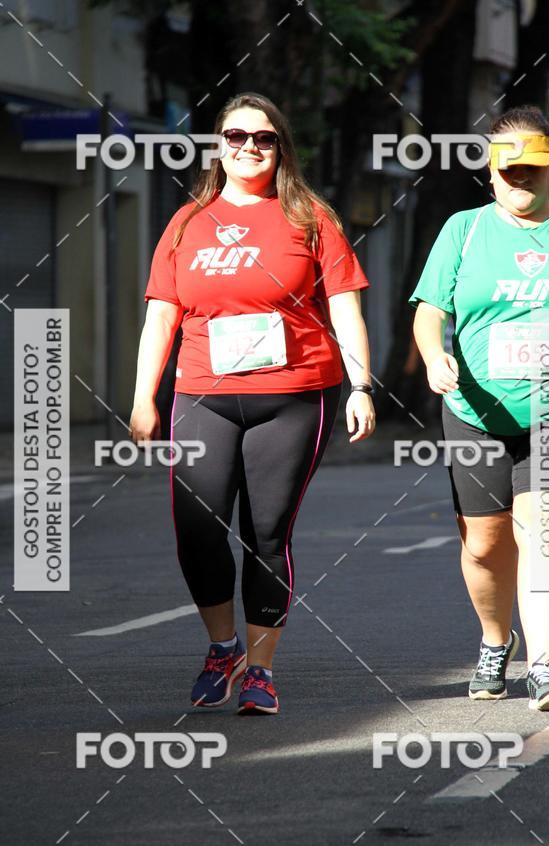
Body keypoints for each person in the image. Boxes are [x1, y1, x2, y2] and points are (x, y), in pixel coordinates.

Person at [129, 92, 375, 715]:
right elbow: (162, 314)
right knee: (196, 530)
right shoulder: (187, 223)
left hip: (293, 395)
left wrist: (362, 385)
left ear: (280, 147)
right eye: (235, 136)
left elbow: (343, 303)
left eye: (263, 138)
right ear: (219, 145)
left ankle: (261, 670)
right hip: (202, 395)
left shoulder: (311, 216)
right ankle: (222, 647)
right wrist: (143, 398)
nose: (249, 147)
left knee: (266, 534)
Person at [411, 105, 549, 711]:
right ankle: (497, 640)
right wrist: (436, 356)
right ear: (490, 171)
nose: (522, 179)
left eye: (534, 170)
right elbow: (429, 310)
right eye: (510, 169)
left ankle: (544, 664)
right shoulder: (462, 231)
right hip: (475, 407)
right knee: (485, 543)